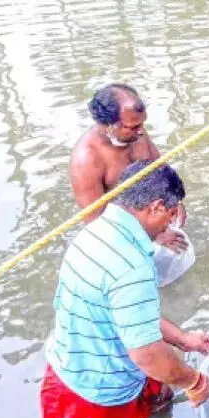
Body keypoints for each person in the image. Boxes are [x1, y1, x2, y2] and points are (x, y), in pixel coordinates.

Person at [41, 160, 209, 418]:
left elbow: (129, 314)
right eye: (169, 215)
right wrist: (195, 382)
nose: (169, 225)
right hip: (92, 395)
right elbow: (147, 354)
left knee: (162, 396)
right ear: (155, 207)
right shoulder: (131, 266)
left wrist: (181, 338)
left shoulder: (96, 231)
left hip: (98, 360)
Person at [69, 84, 191, 284]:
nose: (141, 132)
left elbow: (159, 170)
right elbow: (95, 222)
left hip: (155, 217)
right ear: (109, 125)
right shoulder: (86, 159)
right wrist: (153, 236)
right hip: (124, 237)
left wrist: (175, 203)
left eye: (142, 124)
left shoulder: (136, 132)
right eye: (133, 127)